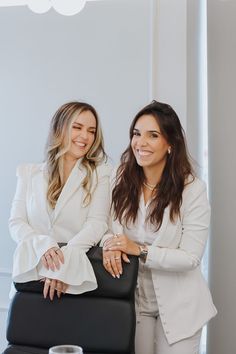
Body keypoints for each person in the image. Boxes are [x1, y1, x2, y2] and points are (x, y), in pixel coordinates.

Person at [102, 101, 217, 354]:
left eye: (152, 135)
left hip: (181, 307)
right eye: (136, 133)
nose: (140, 143)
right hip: (135, 302)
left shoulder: (192, 189)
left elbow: (190, 257)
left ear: (170, 144)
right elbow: (105, 224)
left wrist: (139, 250)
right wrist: (110, 245)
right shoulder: (119, 178)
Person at [9, 101, 111, 300]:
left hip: (71, 279)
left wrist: (63, 264)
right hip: (30, 272)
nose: (85, 137)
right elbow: (16, 222)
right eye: (77, 127)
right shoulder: (28, 173)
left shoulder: (101, 174)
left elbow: (97, 223)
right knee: (23, 330)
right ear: (59, 128)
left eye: (91, 131)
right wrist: (43, 245)